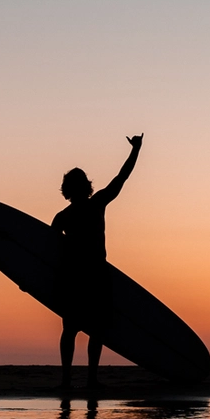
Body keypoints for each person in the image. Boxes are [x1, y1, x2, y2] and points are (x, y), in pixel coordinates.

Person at [52, 134, 141, 398]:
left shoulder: (65, 216)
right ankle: (87, 379)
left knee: (75, 329)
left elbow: (46, 254)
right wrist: (136, 150)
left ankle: (71, 379)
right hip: (92, 276)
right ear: (83, 187)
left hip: (78, 278)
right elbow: (121, 177)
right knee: (90, 330)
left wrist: (32, 279)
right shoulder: (93, 205)